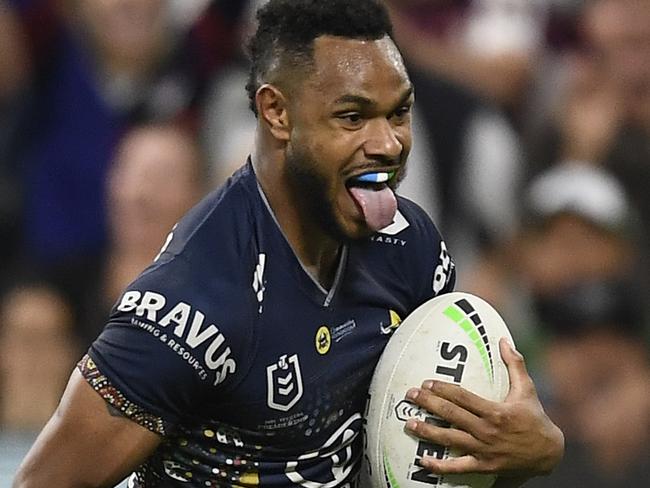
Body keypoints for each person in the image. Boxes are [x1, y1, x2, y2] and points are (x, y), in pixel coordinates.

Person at [13, 1, 563, 487]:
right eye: (353, 117)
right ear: (277, 112)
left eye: (399, 112)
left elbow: (433, 462)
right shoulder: (191, 308)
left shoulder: (409, 247)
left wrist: (535, 451)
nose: (389, 143)